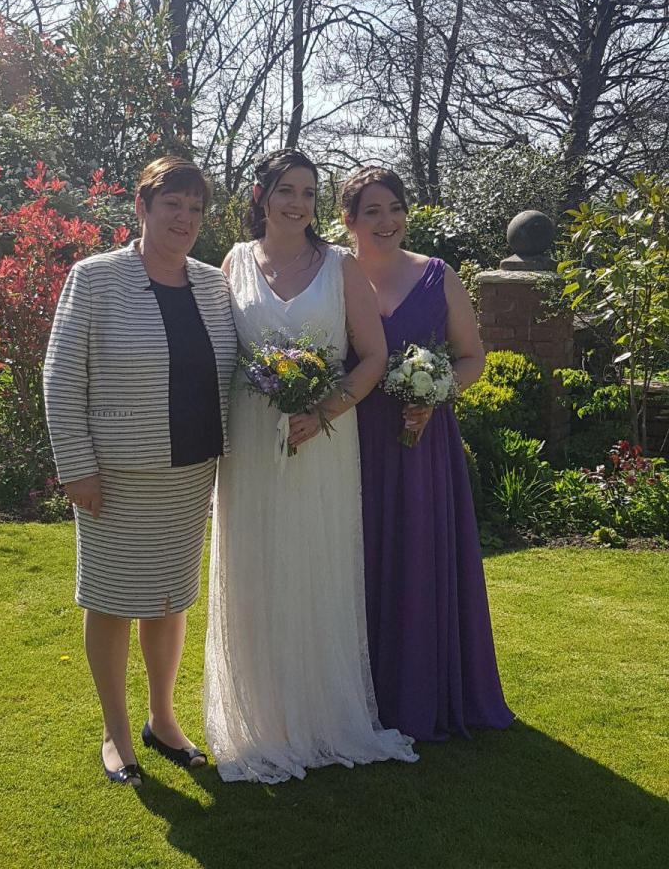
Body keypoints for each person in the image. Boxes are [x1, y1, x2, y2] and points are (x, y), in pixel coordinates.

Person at [204, 148, 418, 782]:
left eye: (308, 193)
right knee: (256, 569)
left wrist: (323, 410)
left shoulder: (341, 268)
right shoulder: (234, 264)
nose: (297, 203)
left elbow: (373, 357)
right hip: (250, 443)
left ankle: (322, 714)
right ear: (261, 194)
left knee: (313, 564)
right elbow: (220, 353)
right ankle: (261, 720)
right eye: (286, 190)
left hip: (324, 439)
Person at [43, 156, 237, 786]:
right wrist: (77, 466)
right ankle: (116, 733)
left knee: (170, 599)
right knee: (110, 600)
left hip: (189, 473)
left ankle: (162, 718)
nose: (185, 218)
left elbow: (235, 371)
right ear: (143, 208)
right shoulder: (94, 279)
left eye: (195, 208)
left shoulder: (212, 284)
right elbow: (61, 376)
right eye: (172, 205)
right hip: (116, 476)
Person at [342, 166, 514, 741]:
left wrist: (436, 392)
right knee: (352, 558)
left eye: (395, 208)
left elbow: (471, 357)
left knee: (416, 554)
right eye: (372, 211)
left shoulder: (438, 276)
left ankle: (417, 692)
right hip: (350, 440)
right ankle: (349, 695)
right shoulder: (332, 277)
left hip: (419, 442)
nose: (387, 221)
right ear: (349, 220)